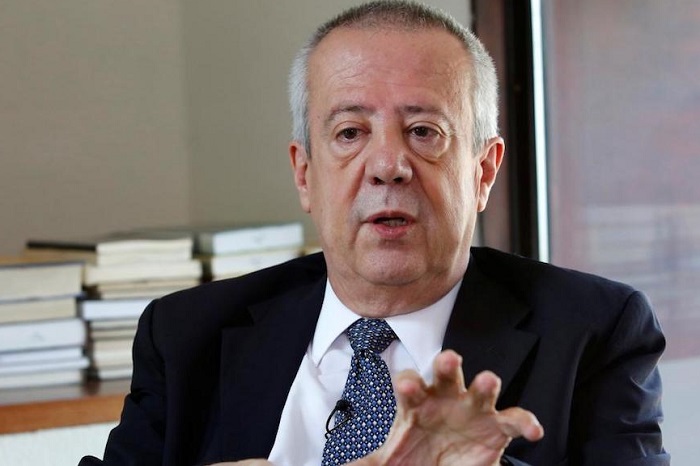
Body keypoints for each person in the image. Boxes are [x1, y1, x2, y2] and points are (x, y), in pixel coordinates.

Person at [80, 1, 669, 465]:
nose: (388, 165)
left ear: (484, 171)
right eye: (349, 133)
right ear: (305, 175)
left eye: (423, 131)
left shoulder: (594, 331)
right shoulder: (187, 336)